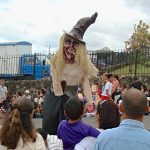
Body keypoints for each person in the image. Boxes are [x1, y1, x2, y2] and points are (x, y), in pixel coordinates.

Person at [50, 12, 98, 109]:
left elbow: (85, 83)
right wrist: (60, 101)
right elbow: (56, 83)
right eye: (68, 42)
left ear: (80, 48)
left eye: (75, 44)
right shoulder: (56, 60)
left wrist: (89, 102)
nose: (71, 47)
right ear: (63, 42)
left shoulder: (81, 65)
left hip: (72, 100)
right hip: (56, 99)